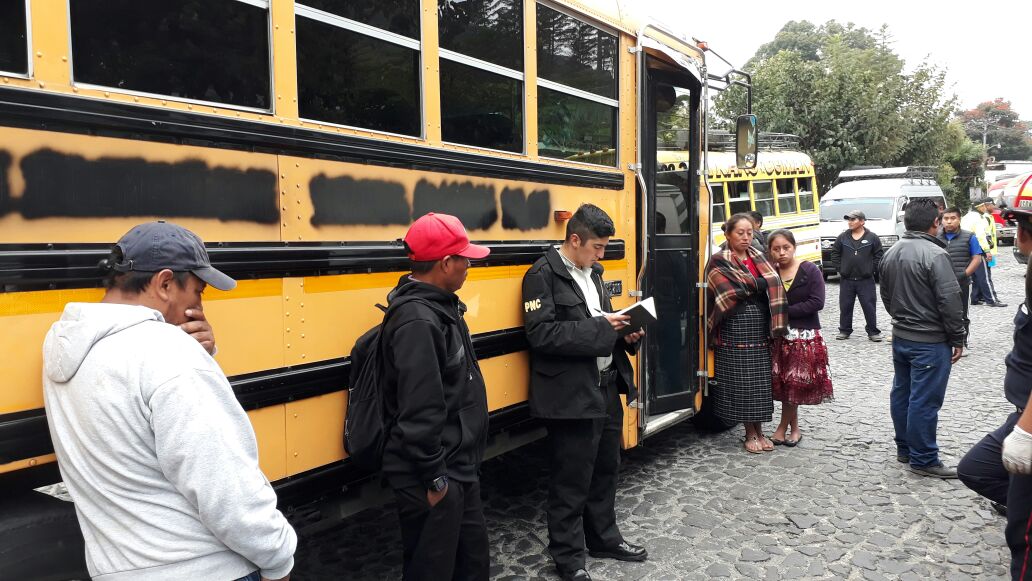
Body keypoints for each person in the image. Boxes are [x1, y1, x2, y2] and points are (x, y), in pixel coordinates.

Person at [42, 221, 296, 581]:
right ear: (164, 283)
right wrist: (278, 560)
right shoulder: (169, 356)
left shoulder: (65, 345)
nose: (199, 305)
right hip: (204, 569)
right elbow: (226, 488)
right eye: (198, 291)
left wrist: (201, 356)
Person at [522, 204, 647, 581]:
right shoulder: (542, 275)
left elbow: (601, 327)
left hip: (605, 387)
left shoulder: (595, 273)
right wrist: (604, 330)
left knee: (607, 470)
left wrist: (626, 333)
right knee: (571, 480)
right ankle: (569, 558)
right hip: (570, 394)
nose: (601, 254)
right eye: (596, 246)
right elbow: (541, 334)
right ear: (573, 239)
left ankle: (603, 538)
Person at [381, 212, 492, 581]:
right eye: (465, 259)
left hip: (457, 464)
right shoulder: (418, 320)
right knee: (433, 569)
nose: (469, 266)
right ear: (445, 263)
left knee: (470, 563)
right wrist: (435, 480)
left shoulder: (438, 305)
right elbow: (420, 409)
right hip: (435, 473)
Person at [958, 204, 1032, 580]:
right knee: (976, 468)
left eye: (1021, 225)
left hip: (1030, 422)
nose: (1016, 234)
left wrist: (1026, 432)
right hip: (1020, 413)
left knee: (1023, 537)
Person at [879, 198, 966, 478]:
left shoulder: (891, 252)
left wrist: (902, 318)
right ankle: (924, 458)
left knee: (902, 392)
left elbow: (886, 296)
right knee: (924, 400)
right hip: (929, 340)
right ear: (935, 223)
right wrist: (958, 337)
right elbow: (950, 300)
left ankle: (905, 448)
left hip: (902, 335)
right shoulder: (936, 254)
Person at [706, 213, 788, 454]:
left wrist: (757, 285)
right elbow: (732, 291)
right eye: (740, 233)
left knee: (760, 382)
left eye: (749, 233)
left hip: (760, 328)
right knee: (741, 381)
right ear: (728, 235)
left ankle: (760, 431)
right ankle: (749, 433)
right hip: (733, 328)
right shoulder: (718, 260)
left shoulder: (758, 256)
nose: (745, 237)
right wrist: (761, 284)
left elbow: (771, 282)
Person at [766, 229, 833, 447]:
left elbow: (817, 302)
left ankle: (780, 429)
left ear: (794, 247)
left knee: (794, 383)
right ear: (770, 251)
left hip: (804, 337)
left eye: (786, 247)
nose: (782, 253)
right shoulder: (771, 273)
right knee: (787, 384)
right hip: (780, 338)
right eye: (776, 249)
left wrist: (783, 311)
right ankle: (795, 430)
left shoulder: (809, 269)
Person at [830, 209, 884, 341]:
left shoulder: (872, 237)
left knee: (869, 306)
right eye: (849, 219)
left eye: (853, 219)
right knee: (845, 306)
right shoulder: (842, 237)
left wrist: (872, 269)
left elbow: (879, 255)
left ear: (862, 221)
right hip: (847, 279)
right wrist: (840, 269)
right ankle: (844, 330)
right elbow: (835, 253)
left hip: (865, 280)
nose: (850, 222)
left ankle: (873, 331)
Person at [937, 207, 982, 347]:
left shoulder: (969, 237)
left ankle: (962, 342)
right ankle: (943, 341)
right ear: (941, 220)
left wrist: (964, 274)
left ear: (959, 219)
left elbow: (977, 258)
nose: (949, 222)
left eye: (953, 218)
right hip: (940, 283)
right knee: (940, 312)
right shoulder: (935, 237)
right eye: (946, 218)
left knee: (961, 314)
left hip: (961, 283)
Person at [964, 198, 1006, 307]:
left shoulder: (967, 216)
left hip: (968, 249)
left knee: (975, 276)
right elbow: (981, 236)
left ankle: (975, 298)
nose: (985, 208)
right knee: (985, 276)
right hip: (979, 249)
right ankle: (991, 300)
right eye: (983, 206)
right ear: (978, 207)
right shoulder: (978, 218)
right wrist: (987, 251)